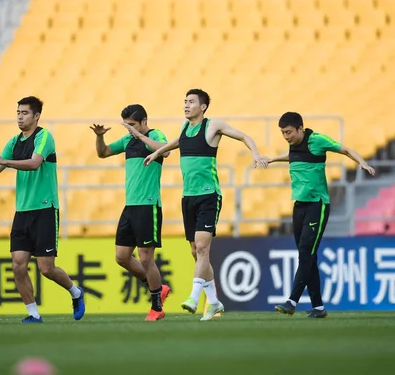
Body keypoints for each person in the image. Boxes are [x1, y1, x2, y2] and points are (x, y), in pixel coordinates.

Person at [144, 88, 267, 321]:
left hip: (209, 195)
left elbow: (244, 136)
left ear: (203, 107)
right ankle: (214, 303)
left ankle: (193, 296)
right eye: (184, 101)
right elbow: (177, 142)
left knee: (202, 248)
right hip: (188, 197)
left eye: (191, 102)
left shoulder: (212, 126)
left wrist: (255, 153)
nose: (186, 105)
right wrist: (157, 153)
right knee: (195, 251)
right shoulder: (185, 127)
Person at [0, 96, 85, 323]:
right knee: (18, 265)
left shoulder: (44, 137)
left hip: (45, 209)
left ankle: (76, 293)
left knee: (46, 269)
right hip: (22, 211)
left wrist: (5, 163)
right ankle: (33, 314)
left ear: (36, 116)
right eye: (18, 112)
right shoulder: (13, 142)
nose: (19, 116)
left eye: (24, 113)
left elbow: (34, 163)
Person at [265, 112, 375, 318]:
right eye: (282, 133)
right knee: (308, 256)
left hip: (317, 205)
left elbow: (345, 149)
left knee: (306, 253)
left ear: (300, 128)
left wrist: (362, 162)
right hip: (299, 206)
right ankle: (318, 308)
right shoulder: (293, 144)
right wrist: (272, 159)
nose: (286, 137)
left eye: (288, 132)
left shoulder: (317, 140)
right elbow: (293, 155)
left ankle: (291, 301)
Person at [90, 104, 171, 321]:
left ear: (144, 121)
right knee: (122, 256)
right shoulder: (128, 141)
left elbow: (166, 148)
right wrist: (99, 137)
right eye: (127, 126)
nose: (129, 130)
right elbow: (103, 153)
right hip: (130, 206)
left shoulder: (155, 135)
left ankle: (156, 306)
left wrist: (139, 135)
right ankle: (157, 288)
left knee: (146, 258)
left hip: (148, 204)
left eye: (133, 125)